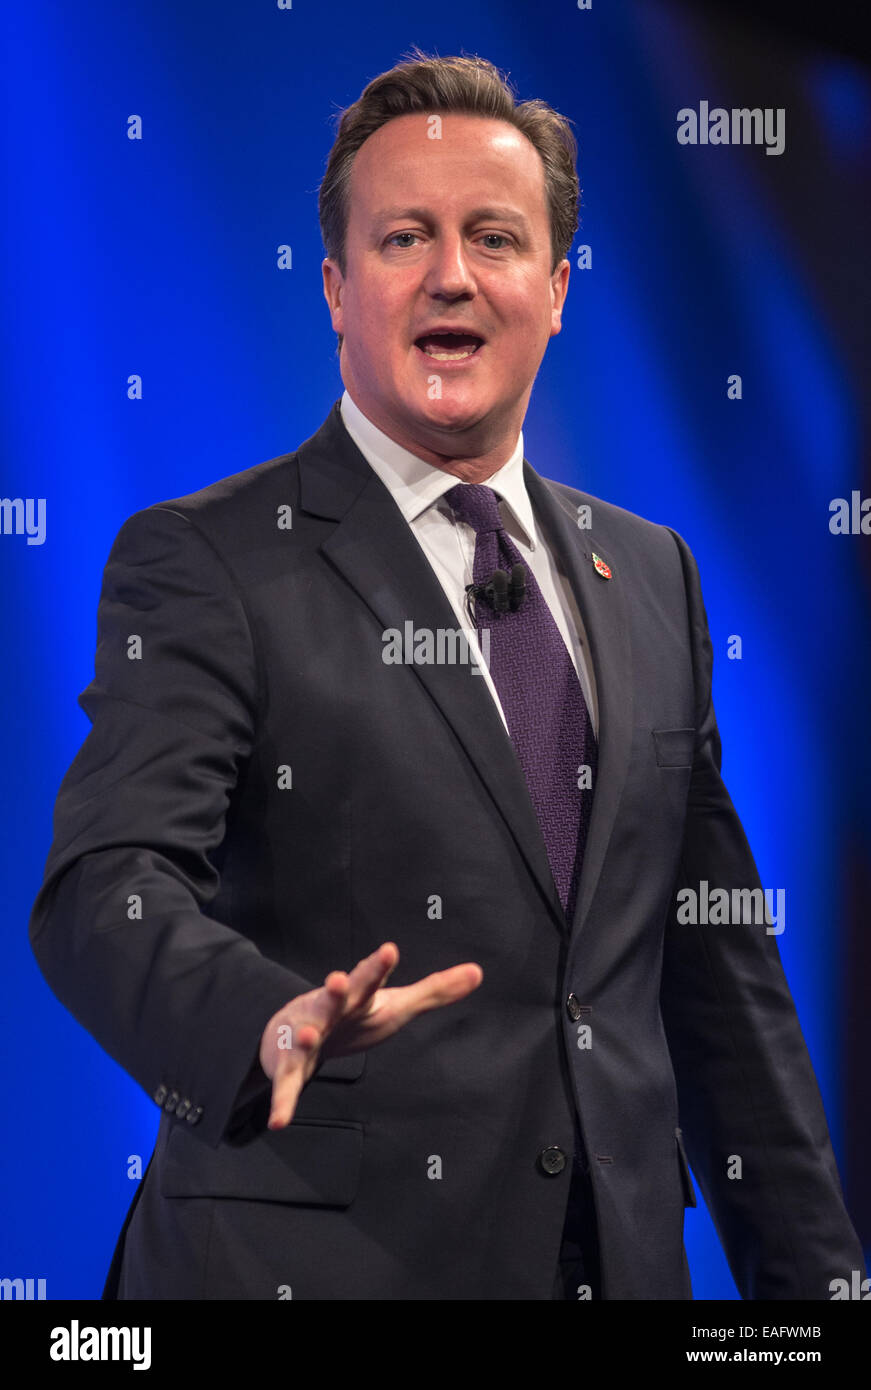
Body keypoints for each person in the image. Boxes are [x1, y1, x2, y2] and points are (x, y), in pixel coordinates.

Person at [29, 51, 864, 1301]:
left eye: (493, 237)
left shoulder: (654, 574)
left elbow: (715, 979)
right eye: (403, 237)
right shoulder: (208, 560)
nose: (450, 275)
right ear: (335, 287)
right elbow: (105, 886)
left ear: (557, 287)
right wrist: (260, 1022)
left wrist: (817, 1292)